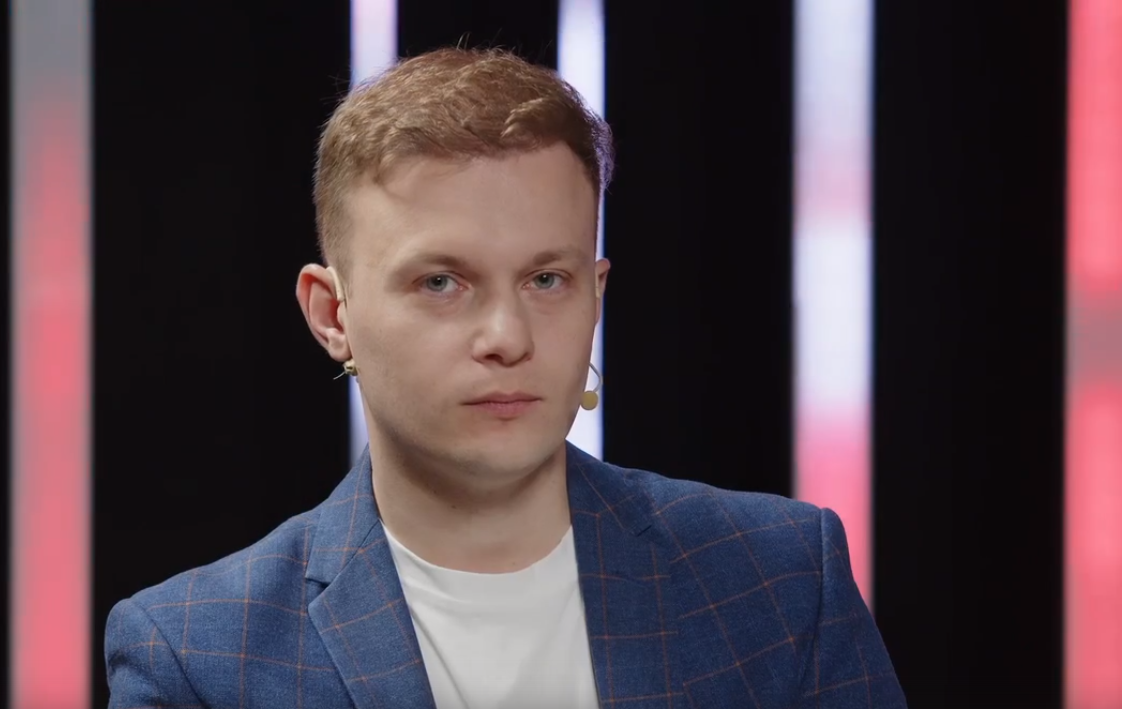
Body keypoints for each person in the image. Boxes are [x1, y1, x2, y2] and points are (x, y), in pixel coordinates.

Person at [104, 47, 906, 709]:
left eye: (546, 280)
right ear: (332, 313)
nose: (507, 338)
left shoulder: (779, 582)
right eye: (441, 282)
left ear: (596, 294)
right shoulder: (197, 655)